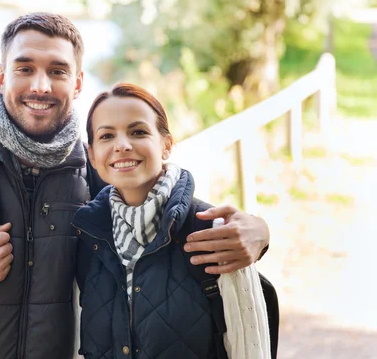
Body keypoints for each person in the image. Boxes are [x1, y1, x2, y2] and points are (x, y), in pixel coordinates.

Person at [0, 13, 271, 359]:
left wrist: (259, 233)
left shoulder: (93, 169)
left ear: (78, 83)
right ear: (0, 76)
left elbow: (159, 218)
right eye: (25, 68)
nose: (40, 86)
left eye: (57, 71)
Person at [74, 83, 271, 359]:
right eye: (107, 136)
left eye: (138, 132)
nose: (122, 145)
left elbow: (251, 348)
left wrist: (262, 230)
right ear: (92, 156)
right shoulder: (88, 239)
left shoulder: (215, 233)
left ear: (166, 145)